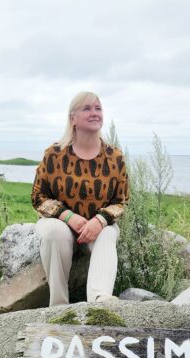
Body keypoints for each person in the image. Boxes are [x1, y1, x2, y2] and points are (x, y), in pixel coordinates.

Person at [31, 91, 129, 306]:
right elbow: (38, 197)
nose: (95, 113)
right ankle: (58, 306)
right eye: (87, 108)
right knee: (53, 232)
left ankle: (99, 302)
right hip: (60, 222)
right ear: (73, 118)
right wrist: (68, 217)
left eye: (98, 108)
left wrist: (99, 221)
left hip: (97, 226)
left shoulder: (115, 157)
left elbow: (121, 201)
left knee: (108, 234)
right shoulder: (54, 154)